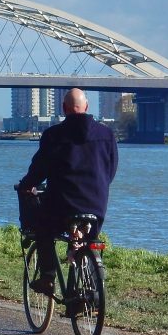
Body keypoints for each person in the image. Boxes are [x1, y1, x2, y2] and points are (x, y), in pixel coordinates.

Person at [17, 88, 118, 296]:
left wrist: (27, 185)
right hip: (96, 205)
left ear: (63, 109)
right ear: (87, 107)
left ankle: (47, 277)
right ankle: (91, 291)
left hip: (62, 206)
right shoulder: (107, 135)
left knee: (43, 228)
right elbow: (111, 169)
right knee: (89, 240)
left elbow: (39, 169)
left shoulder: (53, 135)